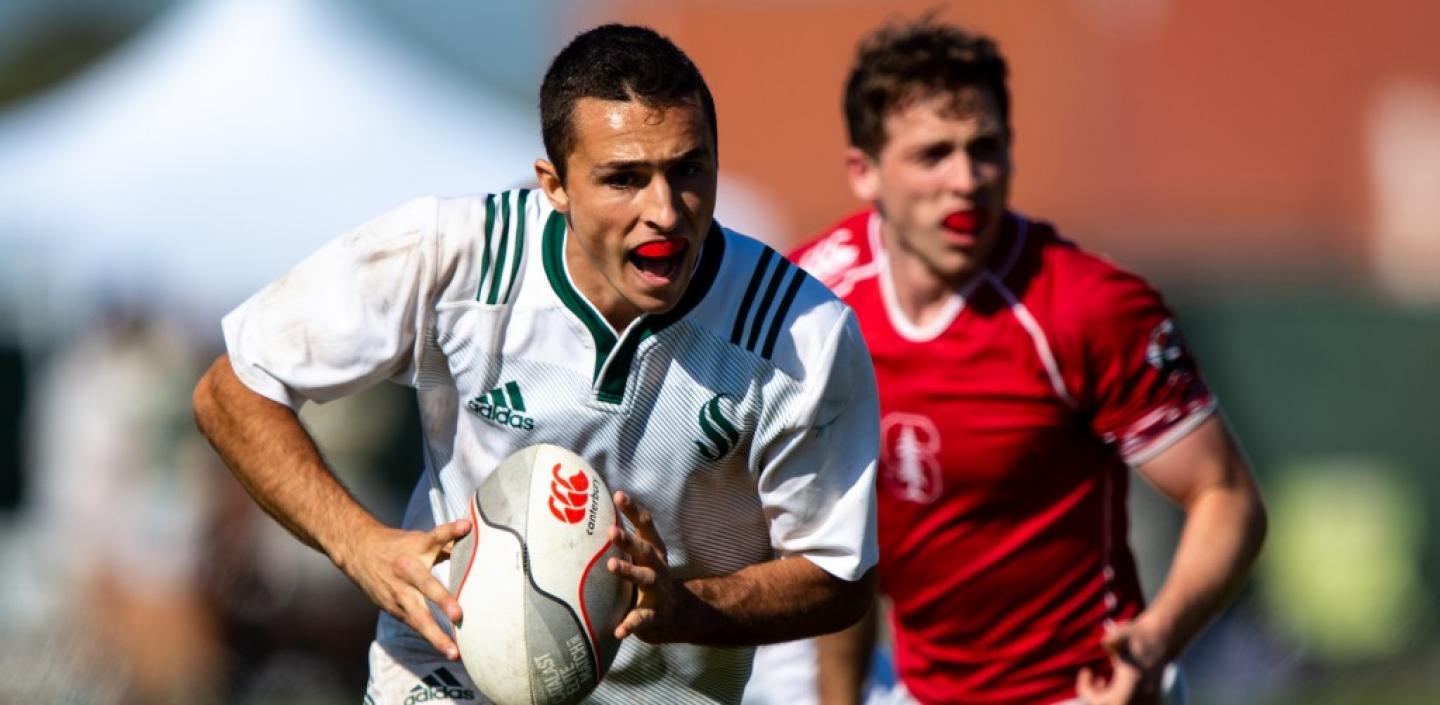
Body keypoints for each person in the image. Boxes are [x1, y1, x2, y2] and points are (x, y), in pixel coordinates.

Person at [192, 24, 880, 705]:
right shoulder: (455, 256)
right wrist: (362, 545)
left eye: (688, 170)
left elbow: (839, 576)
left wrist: (685, 607)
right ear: (554, 185)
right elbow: (232, 389)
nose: (665, 211)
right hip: (447, 674)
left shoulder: (797, 332)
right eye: (624, 179)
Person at [777, 18, 1268, 705]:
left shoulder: (1086, 307)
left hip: (1083, 692)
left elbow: (1227, 496)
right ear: (865, 172)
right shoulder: (810, 306)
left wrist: (1155, 644)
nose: (966, 180)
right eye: (933, 154)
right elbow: (833, 543)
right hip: (920, 690)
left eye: (985, 149)